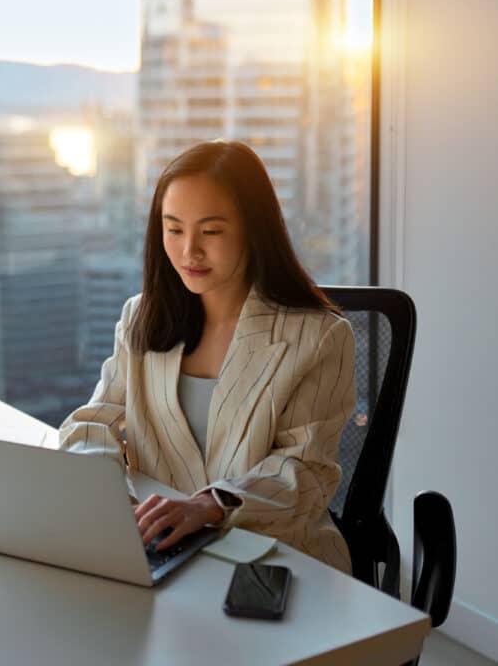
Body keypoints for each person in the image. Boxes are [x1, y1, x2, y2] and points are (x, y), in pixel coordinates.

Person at [59, 140, 356, 573]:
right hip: (162, 548)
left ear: (254, 231)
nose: (189, 251)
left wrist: (212, 505)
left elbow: (306, 471)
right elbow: (95, 422)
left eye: (211, 231)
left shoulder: (320, 336)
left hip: (276, 556)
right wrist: (107, 496)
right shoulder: (142, 315)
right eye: (174, 229)